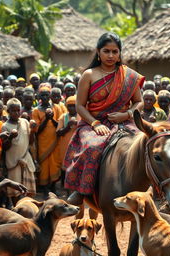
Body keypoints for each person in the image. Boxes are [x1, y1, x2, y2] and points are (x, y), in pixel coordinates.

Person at [64, 32, 144, 205]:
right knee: (93, 147)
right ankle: (83, 191)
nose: (111, 55)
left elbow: (139, 102)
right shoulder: (89, 75)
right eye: (106, 51)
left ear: (120, 53)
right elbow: (80, 106)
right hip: (93, 122)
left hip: (125, 121)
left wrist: (126, 114)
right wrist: (95, 123)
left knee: (145, 144)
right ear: (98, 52)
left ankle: (156, 189)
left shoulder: (129, 76)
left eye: (115, 52)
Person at [2, 98, 37, 202]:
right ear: (8, 111)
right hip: (13, 162)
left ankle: (28, 207)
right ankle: (17, 208)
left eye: (18, 110)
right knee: (15, 191)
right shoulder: (5, 126)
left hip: (25, 158)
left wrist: (33, 131)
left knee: (29, 190)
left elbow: (30, 142)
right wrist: (11, 137)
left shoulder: (25, 122)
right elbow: (5, 147)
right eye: (13, 111)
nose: (16, 113)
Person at [32, 86, 62, 196]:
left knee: (55, 164)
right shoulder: (36, 110)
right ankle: (45, 189)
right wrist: (46, 119)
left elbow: (59, 125)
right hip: (43, 143)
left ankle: (54, 188)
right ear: (39, 97)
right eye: (42, 95)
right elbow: (37, 130)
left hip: (55, 142)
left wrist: (52, 118)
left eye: (46, 95)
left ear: (50, 96)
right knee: (44, 166)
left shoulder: (57, 108)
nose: (45, 97)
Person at [56, 95, 79, 186]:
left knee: (75, 165)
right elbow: (58, 132)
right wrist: (68, 126)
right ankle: (64, 185)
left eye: (74, 105)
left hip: (77, 146)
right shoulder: (63, 117)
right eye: (70, 106)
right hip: (65, 146)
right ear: (66, 106)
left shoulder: (81, 116)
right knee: (64, 166)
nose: (72, 108)